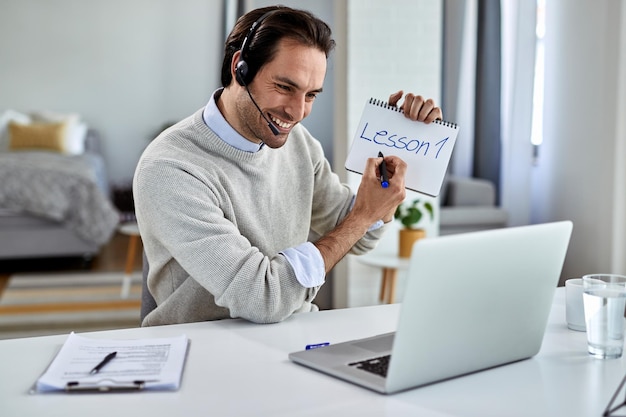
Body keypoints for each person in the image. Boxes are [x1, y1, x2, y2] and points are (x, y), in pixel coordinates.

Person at [133, 5, 442, 326]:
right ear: (241, 68)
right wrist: (363, 215)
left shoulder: (299, 144)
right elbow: (262, 296)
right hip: (202, 351)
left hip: (291, 336)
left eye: (311, 95)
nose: (297, 112)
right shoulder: (171, 167)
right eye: (284, 87)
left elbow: (359, 236)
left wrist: (391, 162)